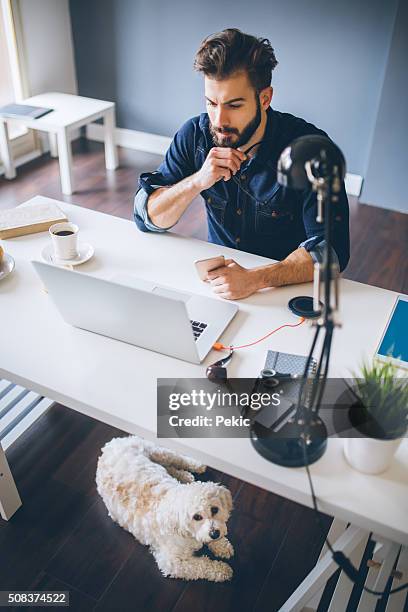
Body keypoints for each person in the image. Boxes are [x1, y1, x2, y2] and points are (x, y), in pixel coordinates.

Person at [134, 28, 350, 300]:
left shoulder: (312, 152)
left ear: (265, 98)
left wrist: (255, 279)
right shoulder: (194, 136)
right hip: (219, 287)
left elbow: (332, 252)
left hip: (286, 289)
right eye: (211, 103)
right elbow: (145, 216)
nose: (219, 120)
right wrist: (197, 181)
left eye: (234, 105)